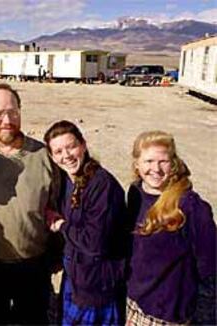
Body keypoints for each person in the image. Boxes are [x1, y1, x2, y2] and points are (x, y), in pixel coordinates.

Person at [0, 83, 60, 324]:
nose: (7, 120)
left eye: (13, 112)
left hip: (34, 265)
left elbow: (58, 207)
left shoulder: (44, 156)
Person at [126, 130, 216, 325]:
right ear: (137, 164)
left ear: (173, 164)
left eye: (163, 161)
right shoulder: (135, 193)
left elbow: (210, 266)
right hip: (135, 303)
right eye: (149, 161)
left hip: (167, 313)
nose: (156, 169)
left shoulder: (190, 206)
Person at [43, 120, 127, 325]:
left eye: (71, 147)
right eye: (58, 151)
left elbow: (94, 243)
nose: (66, 156)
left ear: (84, 145)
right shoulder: (66, 181)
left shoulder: (102, 185)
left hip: (98, 284)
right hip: (77, 276)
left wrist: (61, 225)